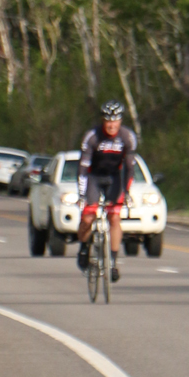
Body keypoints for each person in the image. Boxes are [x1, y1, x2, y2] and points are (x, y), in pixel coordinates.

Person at [75, 102, 137, 285]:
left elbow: (129, 168)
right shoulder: (92, 137)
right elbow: (82, 168)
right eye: (108, 121)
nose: (111, 125)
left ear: (120, 121)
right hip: (94, 177)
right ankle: (84, 248)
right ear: (103, 121)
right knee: (87, 218)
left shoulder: (127, 137)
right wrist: (81, 195)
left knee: (115, 218)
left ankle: (114, 263)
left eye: (115, 121)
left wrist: (126, 192)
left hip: (114, 179)